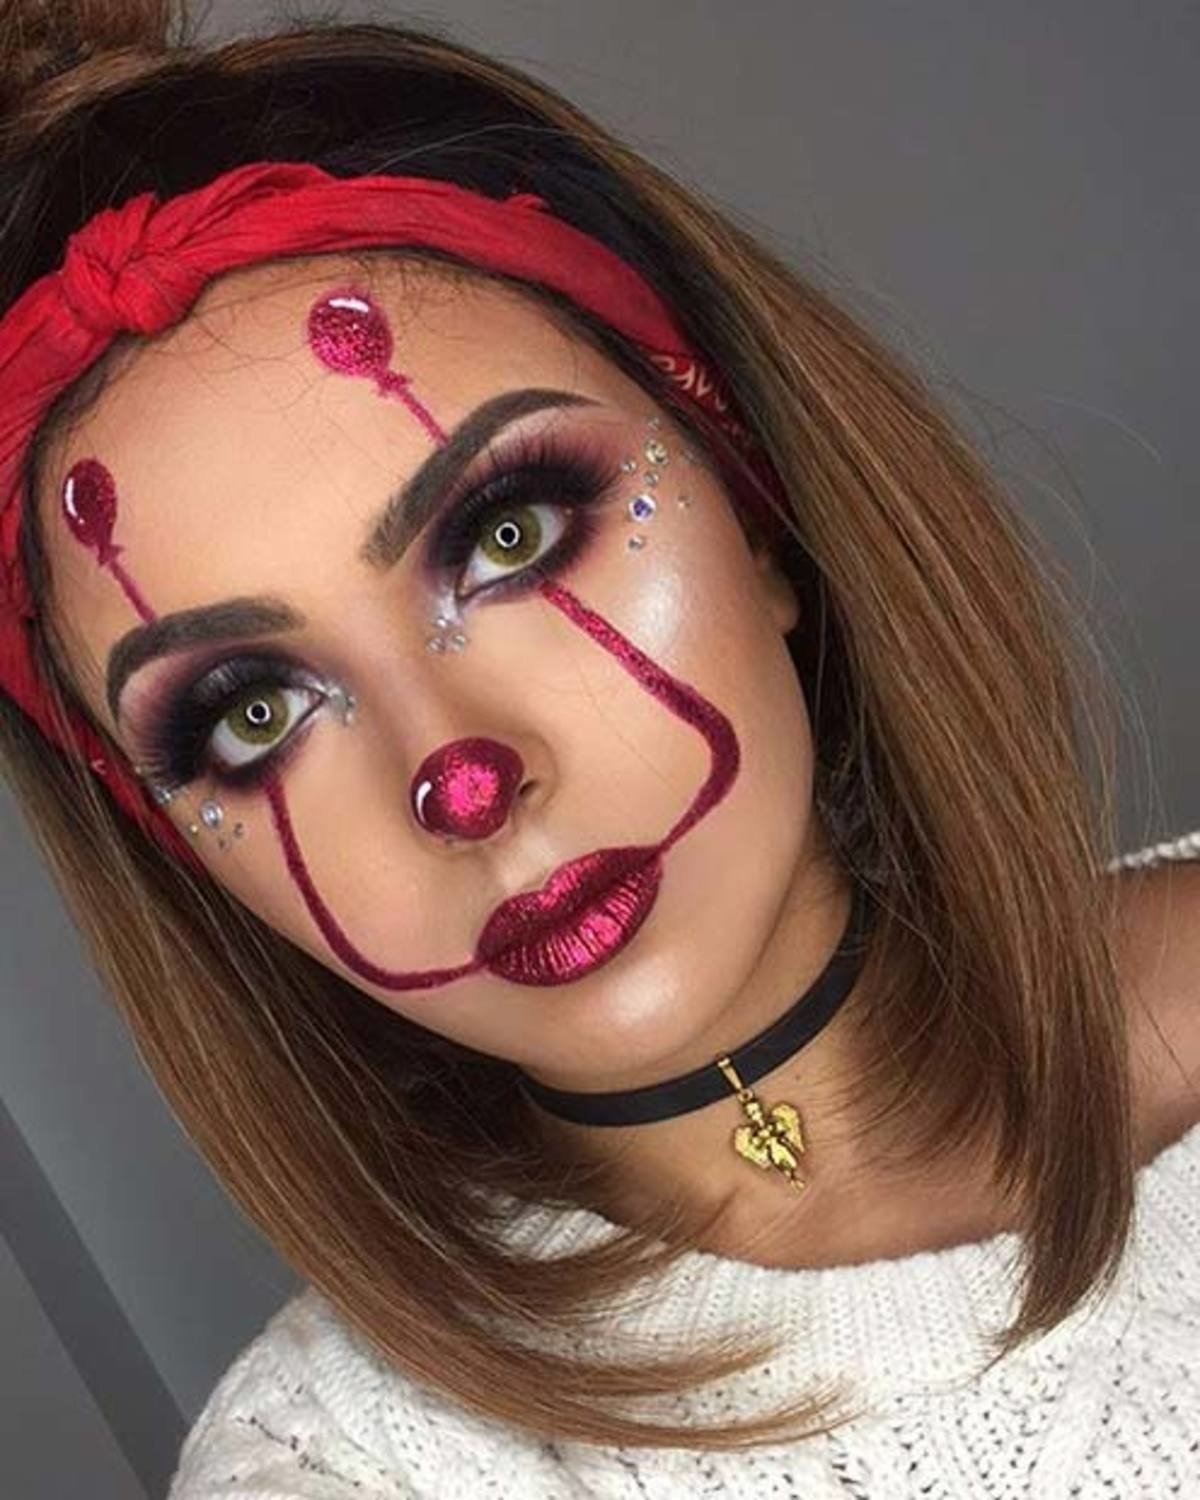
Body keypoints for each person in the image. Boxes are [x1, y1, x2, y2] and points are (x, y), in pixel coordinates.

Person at [0, 3, 1196, 1495]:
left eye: (509, 536)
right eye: (252, 714)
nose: (462, 779)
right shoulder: (340, 1467)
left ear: (755, 506)